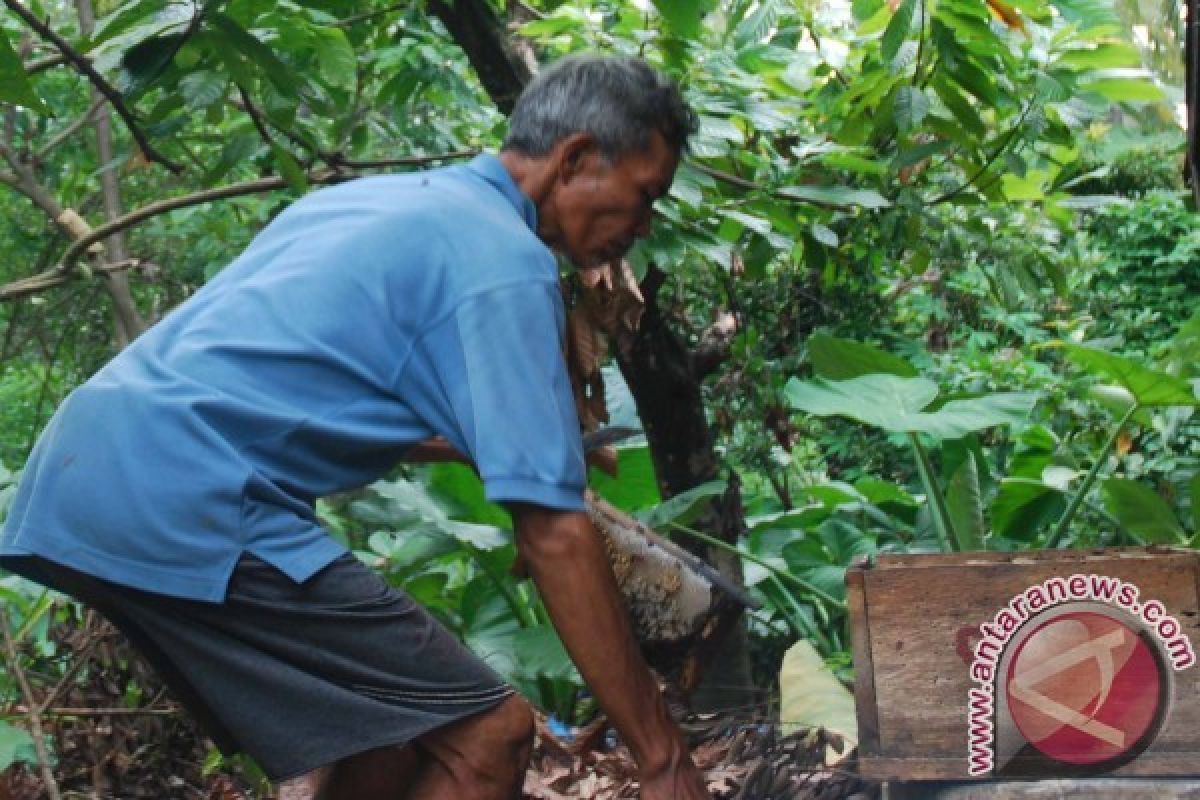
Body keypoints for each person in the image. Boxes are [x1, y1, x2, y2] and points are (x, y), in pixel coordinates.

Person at [0, 54, 712, 799]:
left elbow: (302, 384)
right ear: (575, 159)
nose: (642, 226)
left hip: (88, 471)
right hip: (189, 489)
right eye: (643, 196)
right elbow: (553, 530)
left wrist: (484, 447)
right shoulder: (503, 262)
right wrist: (661, 758)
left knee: (394, 742)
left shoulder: (371, 204)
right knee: (485, 734)